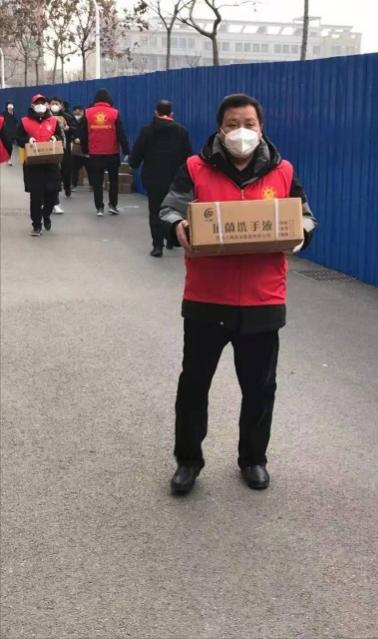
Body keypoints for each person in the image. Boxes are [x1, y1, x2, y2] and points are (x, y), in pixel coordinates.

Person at [160, 93, 317, 494]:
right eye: (232, 125)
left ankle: (253, 459)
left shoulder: (283, 171)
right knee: (194, 385)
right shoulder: (194, 168)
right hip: (206, 298)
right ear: (220, 128)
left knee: (260, 388)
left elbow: (304, 215)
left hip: (263, 299)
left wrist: (301, 234)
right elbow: (170, 208)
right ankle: (188, 461)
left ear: (261, 128)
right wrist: (178, 226)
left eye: (249, 124)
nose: (240, 132)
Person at [129, 100, 192, 257]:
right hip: (176, 180)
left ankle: (157, 246)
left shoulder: (147, 131)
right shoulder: (181, 132)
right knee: (174, 209)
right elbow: (189, 157)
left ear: (156, 113)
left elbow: (136, 155)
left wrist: (133, 163)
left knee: (155, 211)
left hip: (153, 179)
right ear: (171, 114)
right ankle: (171, 238)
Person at [16, 94, 62, 236]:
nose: (40, 105)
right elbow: (18, 138)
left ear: (47, 105)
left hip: (51, 163)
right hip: (33, 165)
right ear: (32, 105)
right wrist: (28, 139)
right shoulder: (24, 121)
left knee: (52, 194)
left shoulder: (53, 121)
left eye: (42, 102)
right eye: (37, 103)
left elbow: (60, 137)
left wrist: (55, 137)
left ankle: (46, 214)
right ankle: (36, 224)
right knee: (36, 196)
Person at [79, 88, 129, 216]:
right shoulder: (115, 113)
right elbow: (121, 133)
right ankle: (113, 205)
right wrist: (126, 150)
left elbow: (83, 134)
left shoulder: (87, 113)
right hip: (112, 153)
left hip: (95, 153)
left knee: (97, 181)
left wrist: (85, 149)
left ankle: (99, 207)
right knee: (113, 180)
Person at [49, 96, 77, 213]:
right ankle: (54, 200)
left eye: (57, 103)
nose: (55, 106)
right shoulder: (46, 117)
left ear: (61, 105)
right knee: (54, 172)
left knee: (66, 169)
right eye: (52, 103)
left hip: (65, 147)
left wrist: (69, 128)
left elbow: (75, 128)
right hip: (51, 149)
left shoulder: (67, 117)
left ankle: (67, 186)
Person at [70, 105, 91, 190]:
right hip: (76, 148)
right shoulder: (71, 120)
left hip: (86, 148)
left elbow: (88, 133)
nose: (77, 114)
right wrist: (73, 139)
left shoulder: (87, 121)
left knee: (89, 168)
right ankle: (73, 184)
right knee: (74, 168)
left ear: (82, 112)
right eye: (76, 112)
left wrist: (81, 139)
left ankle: (92, 185)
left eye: (79, 112)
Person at [2, 101, 18, 166]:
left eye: (11, 105)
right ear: (7, 106)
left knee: (10, 147)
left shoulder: (14, 113)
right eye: (9, 105)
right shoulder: (3, 113)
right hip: (5, 133)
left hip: (12, 132)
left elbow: (16, 121)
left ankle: (9, 159)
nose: (10, 106)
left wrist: (12, 115)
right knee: (6, 146)